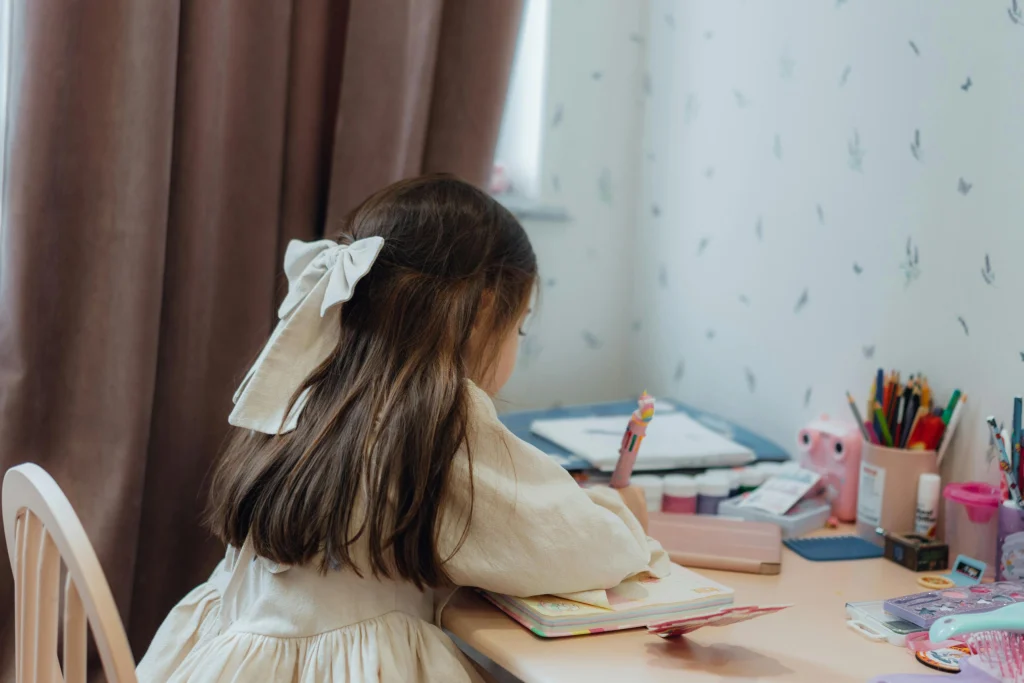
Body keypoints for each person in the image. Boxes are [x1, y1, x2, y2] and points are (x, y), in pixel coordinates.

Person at [138, 175, 665, 682]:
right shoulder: (440, 418)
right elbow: (570, 549)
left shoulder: (301, 381)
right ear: (483, 312)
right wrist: (625, 517)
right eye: (519, 325)